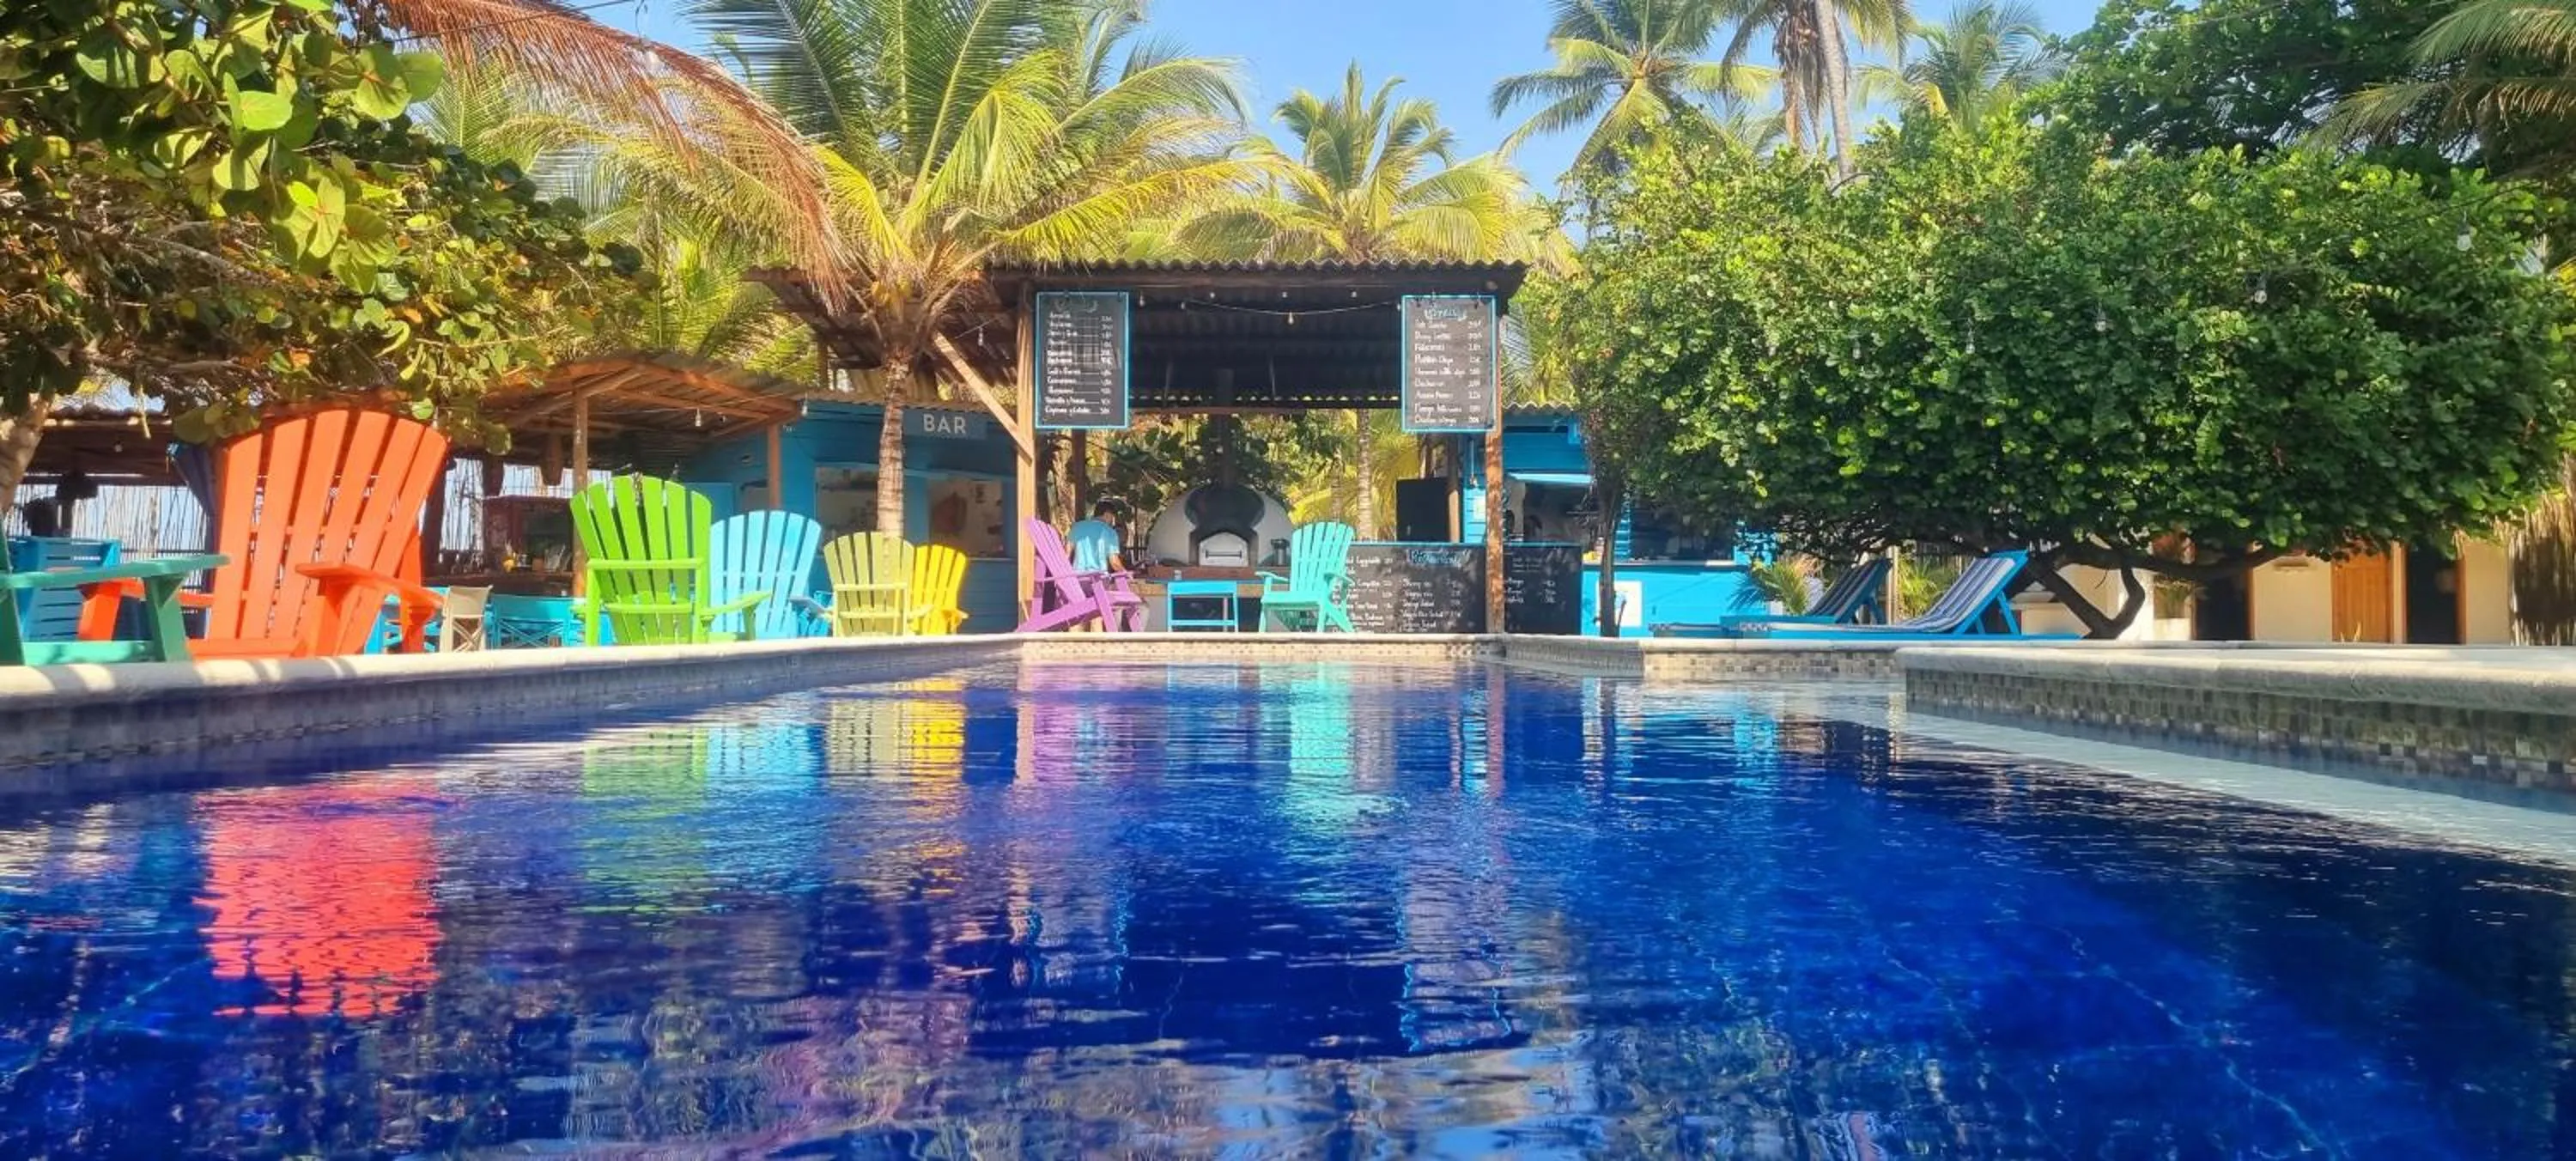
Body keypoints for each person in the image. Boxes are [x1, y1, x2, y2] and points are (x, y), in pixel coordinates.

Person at [1068, 500, 1125, 574]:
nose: (1112, 521)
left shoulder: (1076, 527)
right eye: (1112, 517)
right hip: (1099, 579)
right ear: (1107, 514)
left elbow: (1066, 555)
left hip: (1077, 578)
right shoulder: (1110, 532)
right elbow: (1115, 563)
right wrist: (1126, 574)